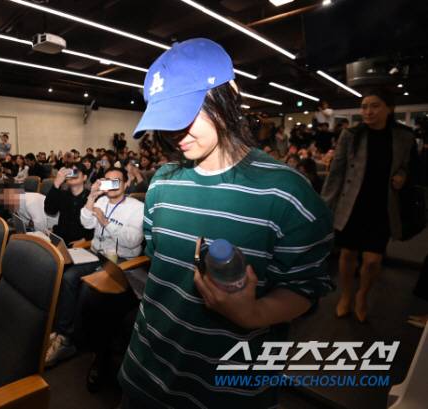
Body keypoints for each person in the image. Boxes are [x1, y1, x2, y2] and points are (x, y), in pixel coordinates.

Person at [118, 38, 334, 409]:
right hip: (143, 371)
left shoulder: (287, 194)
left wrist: (254, 314)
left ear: (229, 94)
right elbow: (162, 271)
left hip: (227, 392)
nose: (175, 133)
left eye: (187, 114)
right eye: (166, 120)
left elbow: (304, 287)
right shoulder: (161, 183)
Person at [322, 87, 416, 322]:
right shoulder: (352, 135)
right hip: (352, 205)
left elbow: (409, 166)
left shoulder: (404, 137)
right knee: (348, 254)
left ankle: (362, 296)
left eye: (375, 106)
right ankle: (346, 295)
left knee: (373, 260)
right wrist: (325, 205)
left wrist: (402, 176)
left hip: (383, 207)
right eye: (364, 107)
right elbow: (337, 172)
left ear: (389, 109)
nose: (368, 111)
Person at [45, 167, 144, 367]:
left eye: (117, 181)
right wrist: (91, 197)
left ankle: (71, 340)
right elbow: (86, 223)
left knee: (87, 288)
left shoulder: (137, 207)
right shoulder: (101, 201)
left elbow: (133, 240)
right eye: (108, 181)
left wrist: (105, 221)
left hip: (120, 260)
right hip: (96, 254)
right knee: (68, 277)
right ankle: (63, 333)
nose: (112, 186)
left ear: (126, 184)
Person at [44, 164, 94, 245]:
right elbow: (50, 210)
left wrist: (84, 240)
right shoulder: (63, 194)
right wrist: (56, 184)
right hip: (60, 239)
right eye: (69, 172)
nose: (72, 174)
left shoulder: (91, 197)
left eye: (75, 172)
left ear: (84, 177)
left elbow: (94, 225)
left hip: (79, 242)